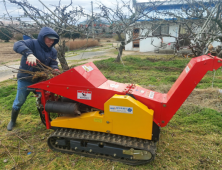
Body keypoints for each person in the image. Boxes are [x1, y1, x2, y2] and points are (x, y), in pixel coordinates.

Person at [7, 27, 60, 131]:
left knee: (44, 100)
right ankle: (12, 121)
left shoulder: (53, 51)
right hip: (25, 78)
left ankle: (47, 120)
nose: (51, 41)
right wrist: (29, 54)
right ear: (43, 37)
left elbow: (53, 63)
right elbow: (17, 44)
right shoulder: (32, 43)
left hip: (40, 80)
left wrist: (55, 69)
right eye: (49, 39)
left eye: (53, 40)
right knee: (19, 101)